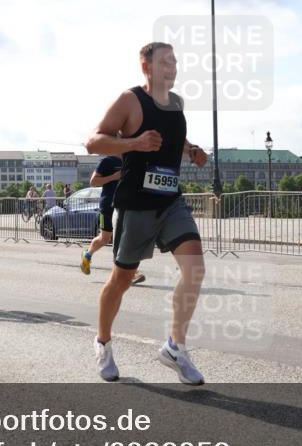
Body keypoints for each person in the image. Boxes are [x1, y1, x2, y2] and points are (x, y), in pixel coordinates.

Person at [85, 41, 210, 384]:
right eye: (165, 62)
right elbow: (94, 142)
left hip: (170, 201)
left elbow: (173, 141)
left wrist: (192, 151)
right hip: (136, 204)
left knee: (195, 269)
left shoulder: (177, 103)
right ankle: (103, 342)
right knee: (121, 280)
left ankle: (175, 348)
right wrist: (133, 144)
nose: (173, 68)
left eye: (175, 62)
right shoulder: (130, 100)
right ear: (146, 67)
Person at [80, 155, 145, 285]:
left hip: (126, 206)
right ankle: (87, 255)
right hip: (108, 206)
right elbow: (93, 181)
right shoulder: (107, 161)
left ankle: (130, 272)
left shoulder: (130, 160)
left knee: (125, 238)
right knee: (104, 238)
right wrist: (114, 177)